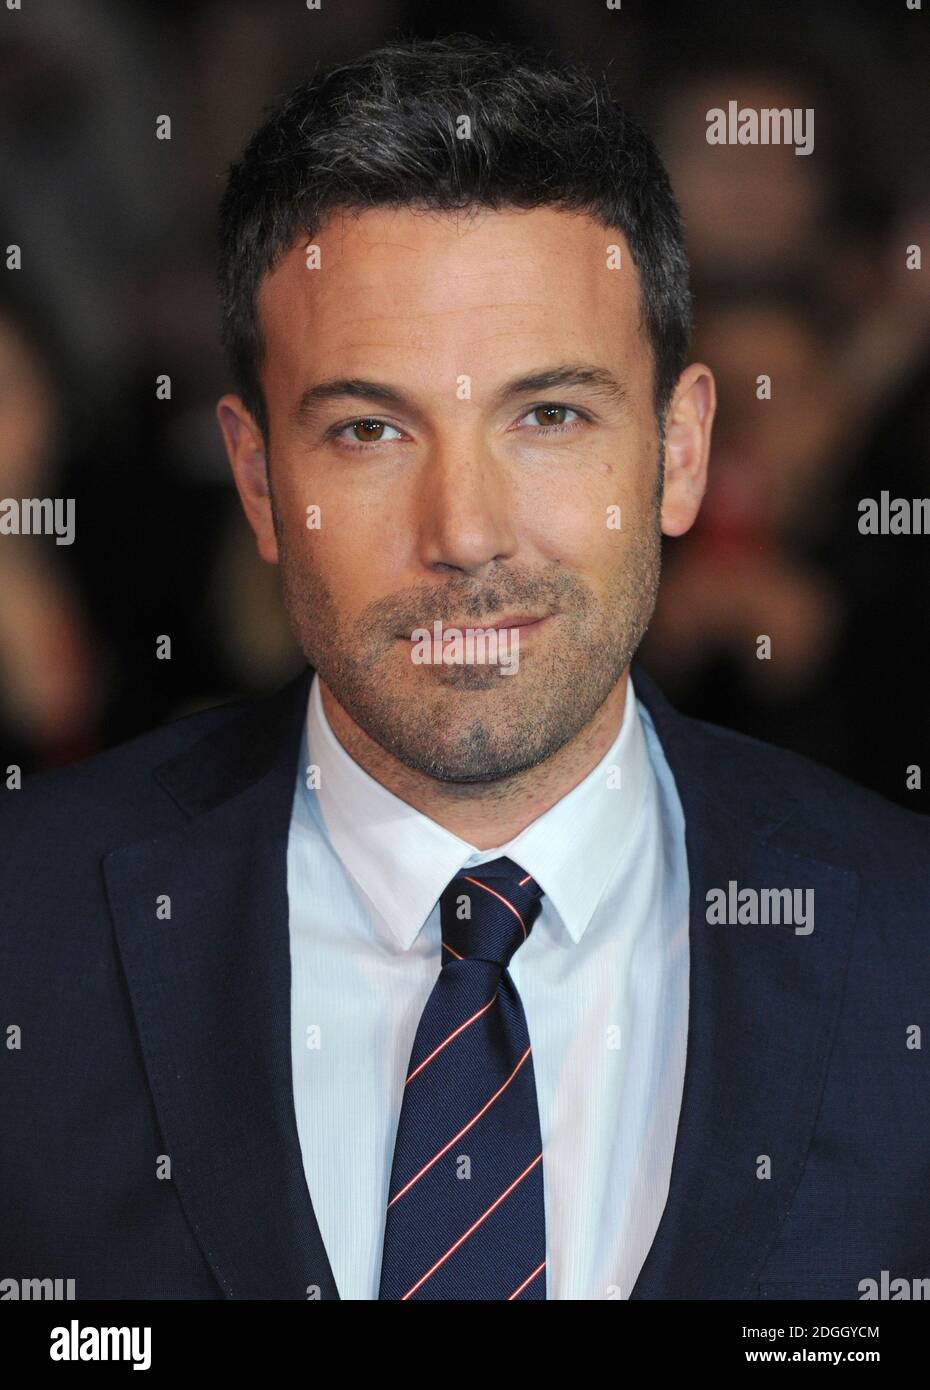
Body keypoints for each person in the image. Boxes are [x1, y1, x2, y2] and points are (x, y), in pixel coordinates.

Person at [1, 34, 927, 1303]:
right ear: (261, 481)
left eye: (550, 416)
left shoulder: (905, 938)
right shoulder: (26, 921)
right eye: (371, 430)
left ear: (684, 449)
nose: (466, 531)